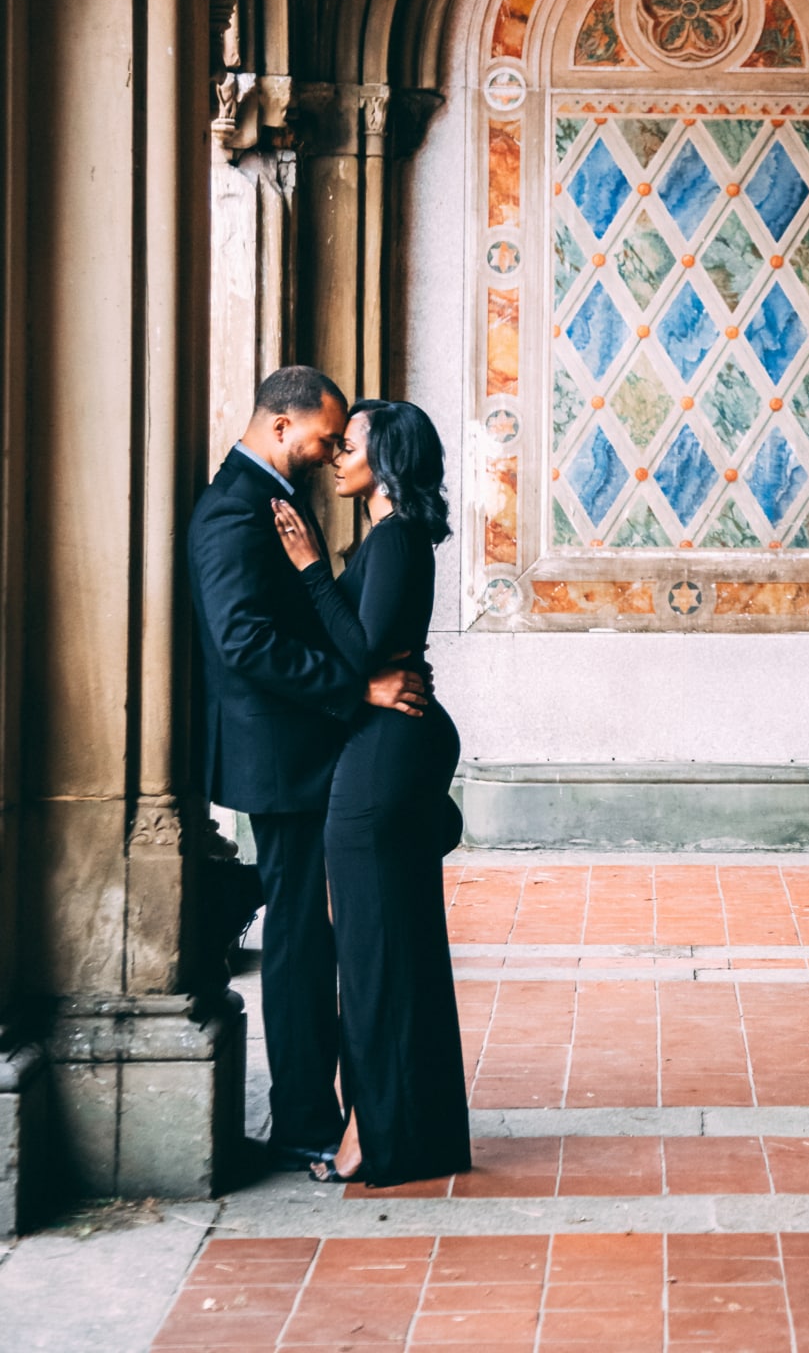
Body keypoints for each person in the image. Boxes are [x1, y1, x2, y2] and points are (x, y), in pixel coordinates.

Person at [188, 366, 429, 1170]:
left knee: (312, 934)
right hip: (281, 753)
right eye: (326, 436)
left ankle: (323, 1108)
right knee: (299, 938)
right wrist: (354, 687)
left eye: (344, 442)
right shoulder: (233, 508)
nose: (330, 453)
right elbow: (245, 642)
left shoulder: (267, 501)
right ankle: (301, 1115)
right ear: (282, 425)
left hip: (301, 743)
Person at [272, 397, 471, 1188]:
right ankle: (399, 1126)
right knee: (387, 942)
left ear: (387, 458)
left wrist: (313, 571)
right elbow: (368, 657)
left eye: (350, 443)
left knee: (374, 949)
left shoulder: (393, 541)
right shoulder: (391, 540)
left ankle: (375, 1134)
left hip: (383, 761)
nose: (336, 455)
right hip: (381, 748)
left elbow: (356, 652)